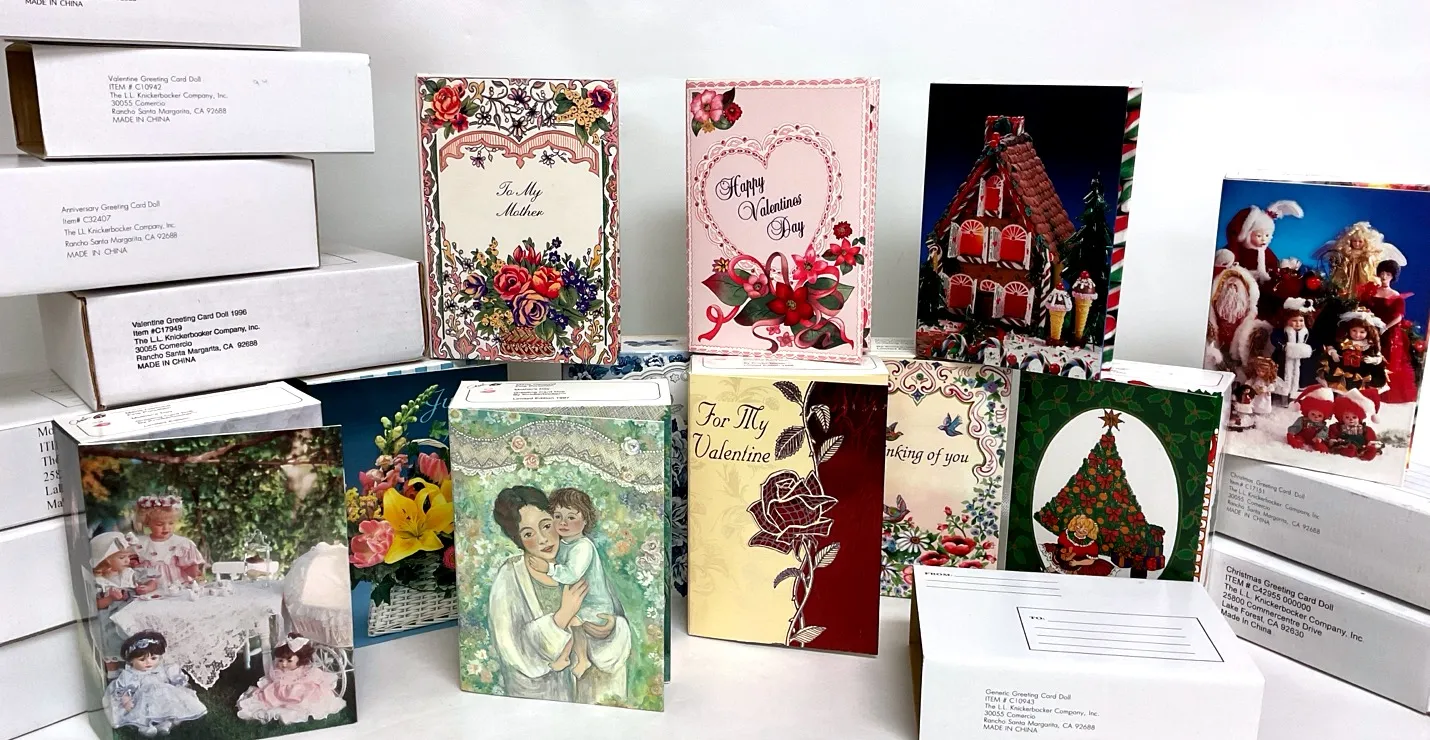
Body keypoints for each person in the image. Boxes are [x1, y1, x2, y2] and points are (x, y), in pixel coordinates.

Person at [486, 486, 631, 704]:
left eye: (546, 525)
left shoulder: (576, 560)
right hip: (541, 701)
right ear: (518, 539)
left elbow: (609, 608)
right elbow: (512, 648)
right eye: (528, 534)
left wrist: (611, 629)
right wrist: (562, 616)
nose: (543, 539)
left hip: (592, 703)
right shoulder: (510, 576)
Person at [546, 487, 615, 679]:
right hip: (577, 602)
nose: (563, 522)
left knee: (572, 620)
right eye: (557, 516)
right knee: (565, 617)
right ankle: (565, 657)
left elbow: (571, 575)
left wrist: (549, 568)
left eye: (571, 517)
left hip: (595, 606)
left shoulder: (583, 547)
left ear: (585, 520)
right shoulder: (562, 543)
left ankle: (579, 659)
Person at [104, 631, 206, 737]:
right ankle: (145, 726)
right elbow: (122, 687)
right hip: (143, 698)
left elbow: (176, 678)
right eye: (142, 659)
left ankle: (166, 723)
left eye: (153, 658)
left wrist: (181, 686)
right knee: (142, 711)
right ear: (131, 661)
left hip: (163, 696)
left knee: (170, 705)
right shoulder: (131, 674)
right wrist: (126, 699)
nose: (148, 662)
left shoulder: (163, 668)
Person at [236, 634, 347, 725]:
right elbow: (274, 678)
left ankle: (298, 705)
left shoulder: (306, 670)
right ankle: (282, 703)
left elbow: (314, 677)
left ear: (300, 659)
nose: (283, 664)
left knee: (310, 693)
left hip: (300, 690)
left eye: (289, 661)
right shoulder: (279, 671)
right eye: (281, 660)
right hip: (283, 691)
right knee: (269, 695)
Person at [90, 532, 157, 671]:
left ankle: (136, 666)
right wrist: (110, 598)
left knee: (135, 639)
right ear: (106, 560)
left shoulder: (129, 573)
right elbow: (96, 605)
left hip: (131, 615)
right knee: (110, 644)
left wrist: (146, 588)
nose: (127, 561)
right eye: (122, 557)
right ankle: (112, 672)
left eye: (128, 556)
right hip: (109, 620)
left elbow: (152, 581)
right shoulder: (99, 581)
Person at [1362, 259, 1419, 403]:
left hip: (1388, 333)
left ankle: (1383, 393)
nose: (1384, 276)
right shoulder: (1371, 291)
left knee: (1386, 360)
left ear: (1393, 276)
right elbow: (1363, 308)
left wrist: (1385, 328)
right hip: (1369, 329)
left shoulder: (1395, 295)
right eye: (1382, 273)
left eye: (1388, 274)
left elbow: (1399, 316)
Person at [1221, 199, 1303, 283]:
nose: (1264, 239)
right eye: (1259, 236)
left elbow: (1273, 264)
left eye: (1267, 235)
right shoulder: (1237, 251)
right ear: (1248, 235)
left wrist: (1283, 268)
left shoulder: (1265, 251)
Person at [133, 495, 206, 589]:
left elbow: (189, 566)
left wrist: (195, 573)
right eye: (159, 524)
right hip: (149, 588)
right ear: (147, 522)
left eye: (171, 523)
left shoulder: (181, 544)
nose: (166, 528)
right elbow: (133, 566)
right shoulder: (140, 544)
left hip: (176, 587)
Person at [1321, 308, 1387, 391]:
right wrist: (1333, 353)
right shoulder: (1344, 341)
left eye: (1362, 332)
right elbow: (1332, 346)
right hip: (1344, 367)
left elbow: (1378, 356)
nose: (1357, 335)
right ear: (1349, 329)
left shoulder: (1369, 344)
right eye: (1354, 331)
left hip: (1363, 369)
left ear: (1368, 332)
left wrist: (1372, 359)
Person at [1271, 298, 1316, 404]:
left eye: (1301, 321)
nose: (1298, 324)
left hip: (1302, 362)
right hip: (1283, 359)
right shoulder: (1282, 331)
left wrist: (1308, 350)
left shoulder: (1308, 333)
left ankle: (1295, 396)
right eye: (1294, 321)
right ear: (1287, 320)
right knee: (1282, 377)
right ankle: (1283, 396)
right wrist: (1284, 347)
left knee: (1300, 378)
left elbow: (1315, 344)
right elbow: (1275, 338)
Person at [1328, 388, 1382, 461]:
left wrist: (1370, 444)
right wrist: (1333, 440)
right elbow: (1332, 435)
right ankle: (1350, 451)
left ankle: (1365, 454)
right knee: (1345, 449)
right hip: (1345, 445)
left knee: (1371, 450)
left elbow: (1371, 438)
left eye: (1354, 417)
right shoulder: (1338, 427)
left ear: (1359, 418)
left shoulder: (1365, 429)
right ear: (1341, 418)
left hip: (1361, 447)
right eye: (1347, 417)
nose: (1351, 420)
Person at [1286, 385, 1333, 453]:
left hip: (1314, 439)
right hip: (1302, 436)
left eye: (1319, 416)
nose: (1316, 417)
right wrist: (1292, 432)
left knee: (1321, 445)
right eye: (1313, 414)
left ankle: (1319, 445)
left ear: (1324, 417)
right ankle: (1297, 441)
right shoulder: (1303, 420)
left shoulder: (1323, 425)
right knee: (1298, 439)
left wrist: (1319, 438)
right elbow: (1296, 426)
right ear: (1307, 412)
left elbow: (1324, 432)